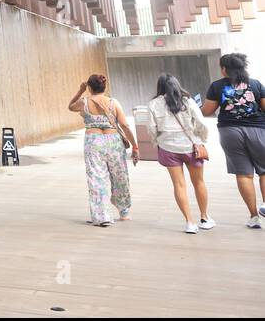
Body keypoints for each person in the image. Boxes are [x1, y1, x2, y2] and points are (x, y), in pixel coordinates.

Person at [202, 53, 265, 228]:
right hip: (258, 130)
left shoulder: (217, 86)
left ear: (224, 69)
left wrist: (195, 106)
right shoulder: (255, 84)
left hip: (229, 132)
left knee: (243, 173)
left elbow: (207, 111)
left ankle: (254, 217)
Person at [69, 74, 138, 226]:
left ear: (90, 87)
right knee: (120, 175)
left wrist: (80, 91)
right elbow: (125, 125)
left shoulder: (84, 102)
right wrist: (135, 146)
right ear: (104, 86)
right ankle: (124, 211)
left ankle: (102, 216)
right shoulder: (113, 103)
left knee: (96, 178)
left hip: (93, 142)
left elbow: (70, 106)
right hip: (113, 142)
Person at [149, 74, 214, 233]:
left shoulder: (153, 104)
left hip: (168, 148)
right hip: (191, 147)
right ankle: (204, 218)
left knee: (179, 185)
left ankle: (189, 223)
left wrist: (157, 142)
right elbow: (201, 124)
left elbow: (151, 129)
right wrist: (201, 140)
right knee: (199, 182)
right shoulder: (188, 101)